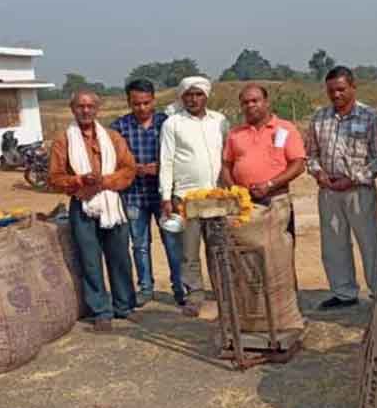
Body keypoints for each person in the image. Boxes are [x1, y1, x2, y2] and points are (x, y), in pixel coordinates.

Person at [49, 90, 138, 332]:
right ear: (72, 109)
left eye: (90, 106)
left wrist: (101, 183)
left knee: (120, 256)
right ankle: (100, 311)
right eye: (80, 106)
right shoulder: (63, 141)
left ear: (97, 109)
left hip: (112, 203)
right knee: (90, 260)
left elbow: (128, 169)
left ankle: (124, 306)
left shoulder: (113, 137)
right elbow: (55, 178)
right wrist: (79, 180)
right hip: (82, 205)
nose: (85, 110)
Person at [306, 66, 377, 310]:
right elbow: (311, 154)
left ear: (353, 87)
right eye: (331, 90)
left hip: (358, 190)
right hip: (328, 190)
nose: (336, 95)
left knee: (369, 242)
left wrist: (353, 179)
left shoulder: (370, 117)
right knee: (334, 243)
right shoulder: (319, 118)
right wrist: (318, 173)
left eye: (341, 89)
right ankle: (344, 293)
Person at [159, 76, 230, 314]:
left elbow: (228, 155)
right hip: (186, 197)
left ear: (206, 96)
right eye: (188, 95)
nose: (193, 99)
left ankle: (224, 293)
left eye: (198, 94)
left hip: (216, 195)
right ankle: (195, 295)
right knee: (189, 252)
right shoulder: (172, 124)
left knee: (219, 248)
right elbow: (166, 161)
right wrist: (166, 196)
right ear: (182, 97)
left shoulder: (220, 121)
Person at [111, 79, 184, 307]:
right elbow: (112, 159)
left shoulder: (167, 123)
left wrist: (160, 168)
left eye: (146, 103)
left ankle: (180, 287)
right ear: (129, 102)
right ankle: (145, 287)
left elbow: (180, 156)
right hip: (133, 195)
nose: (142, 108)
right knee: (140, 244)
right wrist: (134, 169)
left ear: (154, 100)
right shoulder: (119, 127)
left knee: (172, 242)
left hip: (164, 196)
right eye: (136, 104)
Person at [220, 84, 306, 232]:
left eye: (255, 101)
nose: (250, 105)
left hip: (276, 202)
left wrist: (270, 184)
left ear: (267, 102)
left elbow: (298, 164)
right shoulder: (235, 134)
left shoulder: (285, 129)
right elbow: (226, 166)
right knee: (244, 245)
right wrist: (235, 191)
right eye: (245, 102)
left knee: (278, 245)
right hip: (244, 204)